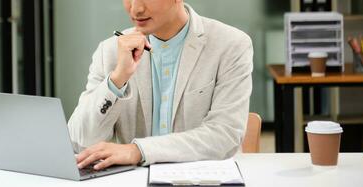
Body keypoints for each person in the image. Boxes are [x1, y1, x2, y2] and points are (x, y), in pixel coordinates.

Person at [68, 0, 253, 170]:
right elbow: (81, 141)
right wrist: (118, 78)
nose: (136, 9)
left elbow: (225, 136)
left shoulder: (231, 45)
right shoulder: (110, 51)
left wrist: (138, 151)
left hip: (206, 183)